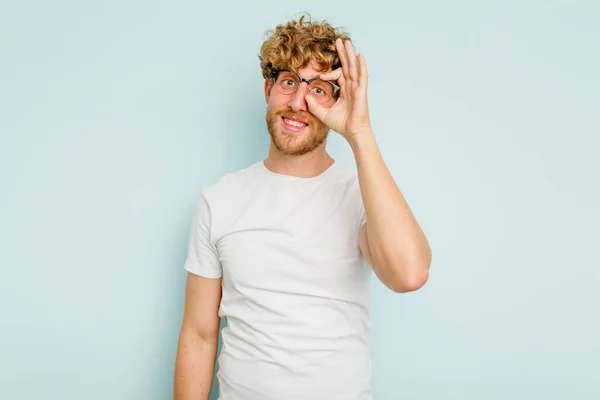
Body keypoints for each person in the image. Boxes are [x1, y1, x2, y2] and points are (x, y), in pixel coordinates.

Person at [173, 14, 432, 400]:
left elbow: (409, 275)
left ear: (339, 101)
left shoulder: (361, 195)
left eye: (319, 90)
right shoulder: (220, 200)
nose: (298, 103)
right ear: (268, 89)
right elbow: (199, 332)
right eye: (290, 82)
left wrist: (359, 132)